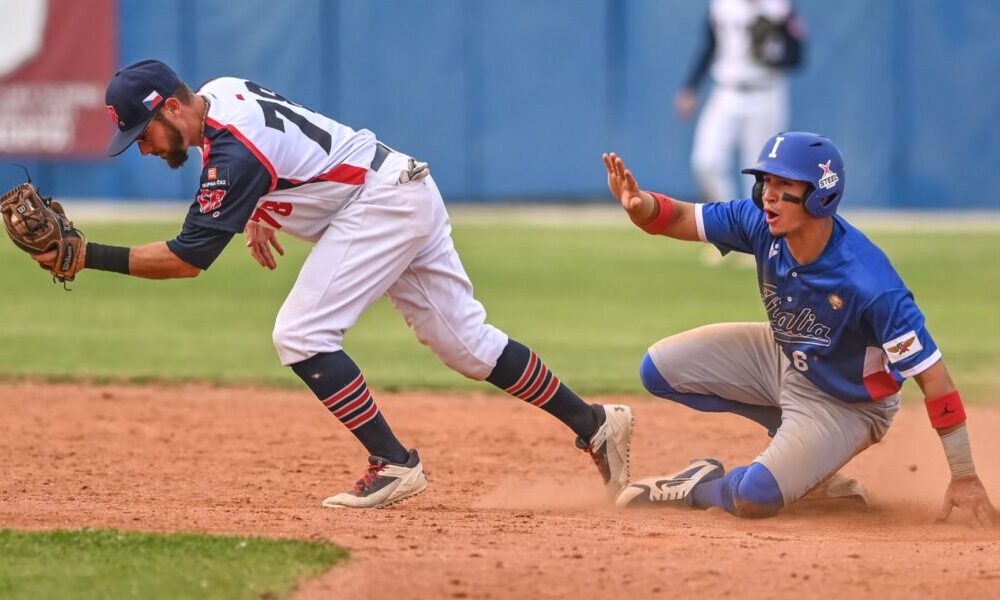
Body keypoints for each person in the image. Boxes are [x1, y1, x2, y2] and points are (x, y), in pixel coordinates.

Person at [31, 59, 634, 509]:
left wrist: (84, 256)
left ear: (170, 108)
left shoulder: (233, 154)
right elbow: (286, 150)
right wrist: (260, 206)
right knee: (468, 346)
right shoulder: (222, 90)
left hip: (379, 206)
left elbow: (189, 258)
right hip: (402, 188)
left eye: (142, 134)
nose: (141, 148)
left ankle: (393, 462)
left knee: (301, 334)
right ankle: (593, 424)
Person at [602, 131, 996, 524]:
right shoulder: (759, 222)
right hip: (783, 355)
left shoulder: (871, 284)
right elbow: (681, 217)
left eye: (784, 184)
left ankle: (701, 487)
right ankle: (813, 473)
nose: (768, 195)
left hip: (846, 404)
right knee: (658, 369)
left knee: (754, 497)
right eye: (765, 182)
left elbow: (934, 378)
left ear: (819, 196)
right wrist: (642, 207)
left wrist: (964, 475)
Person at [676, 0, 805, 203]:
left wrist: (770, 57)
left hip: (765, 92)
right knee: (706, 163)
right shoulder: (721, 6)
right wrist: (691, 87)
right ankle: (730, 215)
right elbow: (709, 47)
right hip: (726, 91)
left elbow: (797, 55)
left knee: (761, 171)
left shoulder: (779, 8)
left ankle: (754, 218)